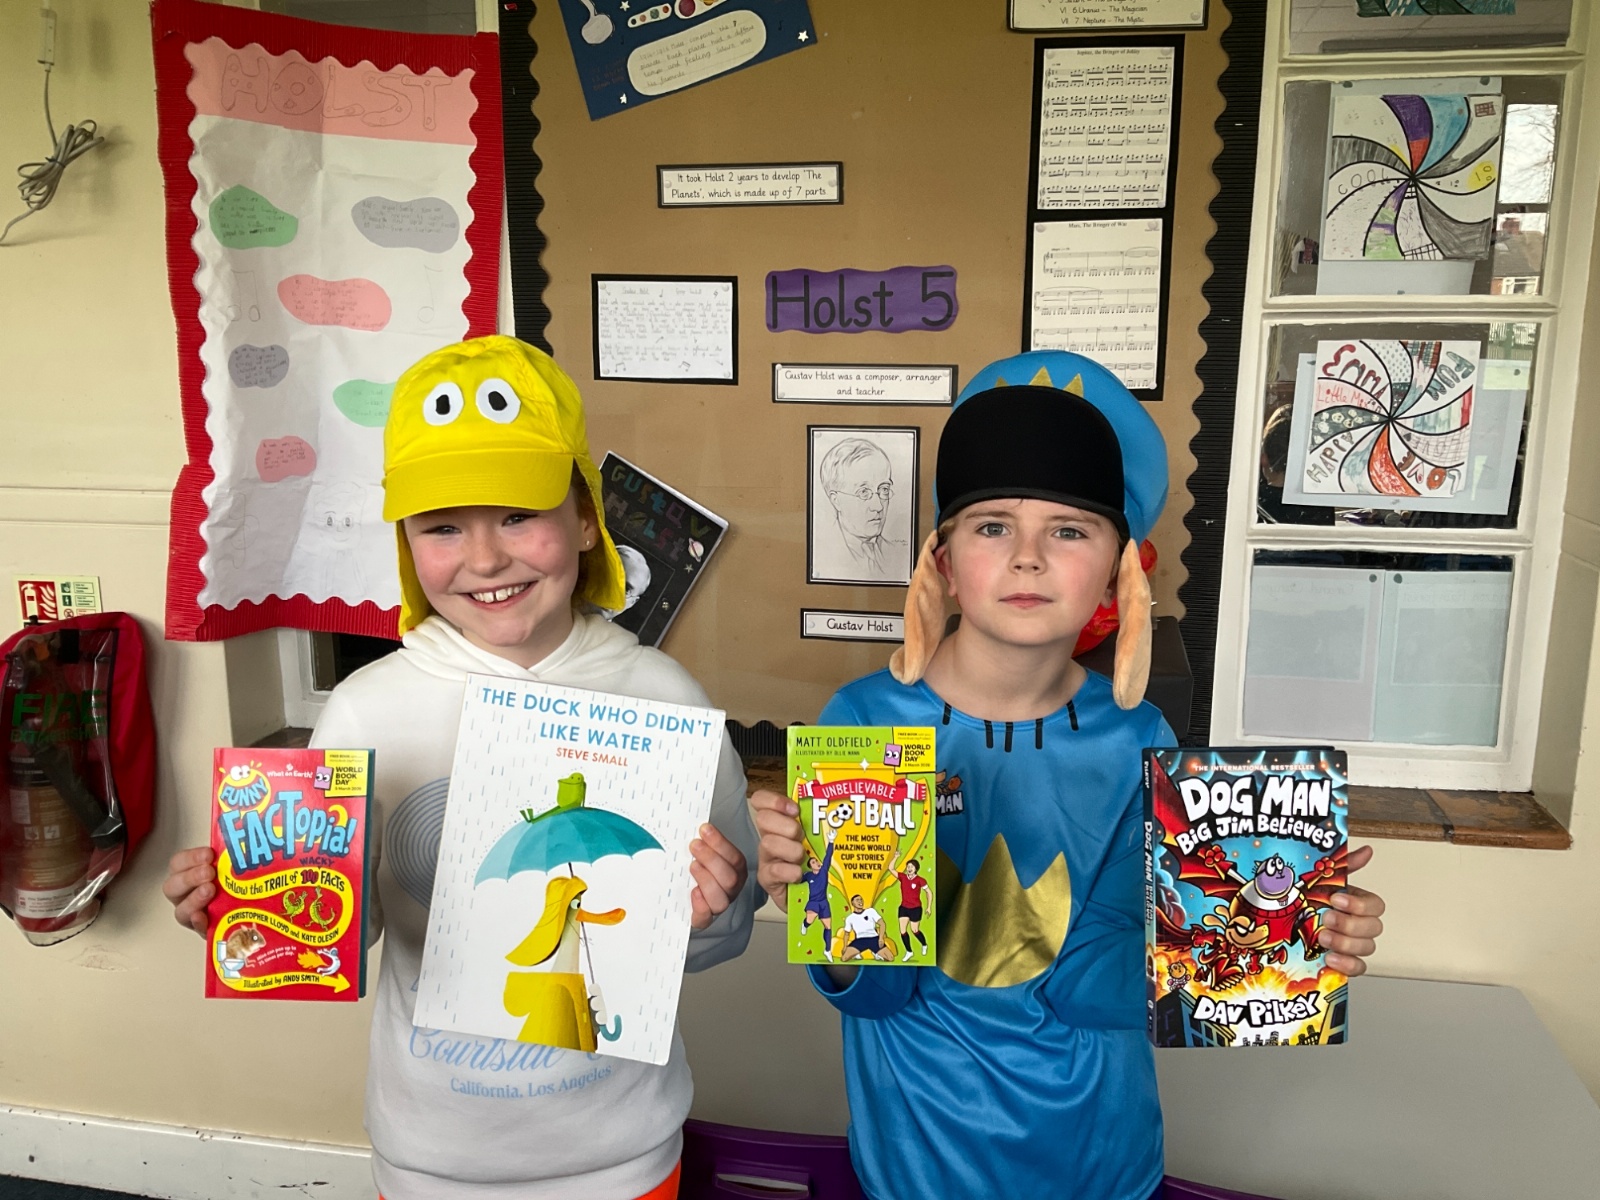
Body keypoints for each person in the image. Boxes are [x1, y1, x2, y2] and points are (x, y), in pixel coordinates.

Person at [752, 350, 1388, 1200]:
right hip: (918, 1168)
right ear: (943, 561)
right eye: (992, 527)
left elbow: (1105, 985)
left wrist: (1288, 935)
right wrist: (822, 908)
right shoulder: (865, 722)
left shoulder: (1139, 739)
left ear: (1119, 572)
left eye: (1068, 530)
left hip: (1101, 1162)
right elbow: (875, 994)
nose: (1027, 558)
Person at [164, 336, 758, 1200]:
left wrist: (710, 912)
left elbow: (724, 938)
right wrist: (246, 907)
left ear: (585, 517)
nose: (484, 560)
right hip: (431, 1154)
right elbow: (347, 933)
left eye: (518, 514)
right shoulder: (366, 710)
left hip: (625, 1148)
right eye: (442, 526)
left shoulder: (666, 698)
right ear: (406, 542)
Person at [815, 436, 906, 582]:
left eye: (884, 489)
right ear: (835, 500)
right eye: (863, 492)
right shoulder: (823, 557)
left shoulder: (899, 554)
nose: (878, 507)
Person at [798, 822, 837, 961]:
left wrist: (831, 841)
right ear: (810, 866)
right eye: (814, 862)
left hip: (823, 902)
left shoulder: (823, 871)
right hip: (813, 902)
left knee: (828, 926)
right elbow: (796, 879)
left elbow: (828, 857)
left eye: (817, 861)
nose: (817, 863)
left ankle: (827, 950)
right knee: (810, 919)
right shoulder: (808, 876)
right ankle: (805, 924)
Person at [889, 855, 929, 960]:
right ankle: (909, 951)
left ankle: (924, 944)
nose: (909, 868)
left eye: (911, 866)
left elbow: (929, 892)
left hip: (915, 908)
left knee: (914, 930)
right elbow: (891, 869)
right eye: (908, 866)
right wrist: (896, 857)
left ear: (916, 869)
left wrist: (929, 907)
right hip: (904, 907)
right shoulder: (902, 877)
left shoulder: (920, 880)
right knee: (903, 931)